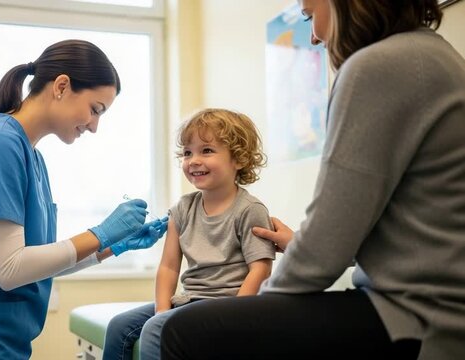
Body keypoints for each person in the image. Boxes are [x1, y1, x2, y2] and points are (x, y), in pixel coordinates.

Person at [160, 1, 465, 359]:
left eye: (310, 16)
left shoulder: (379, 64)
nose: (316, 36)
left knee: (188, 331)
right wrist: (300, 243)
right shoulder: (434, 54)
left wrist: (252, 312)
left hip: (417, 315)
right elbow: (373, 227)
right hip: (428, 301)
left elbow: (327, 246)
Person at [0, 39, 168, 360]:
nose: (95, 126)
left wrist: (112, 247)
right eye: (95, 109)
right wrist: (99, 234)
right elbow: (10, 269)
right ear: (61, 86)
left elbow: (35, 265)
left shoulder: (31, 156)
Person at [103, 108, 275, 360]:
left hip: (226, 305)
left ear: (238, 159)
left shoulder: (250, 210)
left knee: (154, 330)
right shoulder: (182, 208)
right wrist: (162, 311)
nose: (193, 160)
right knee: (119, 326)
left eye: (206, 150)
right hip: (189, 301)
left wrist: (235, 317)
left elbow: (260, 269)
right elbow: (169, 267)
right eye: (187, 152)